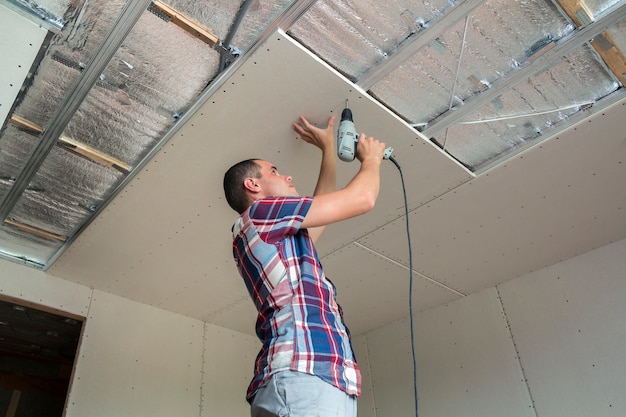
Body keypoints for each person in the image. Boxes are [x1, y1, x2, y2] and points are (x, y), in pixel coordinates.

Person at [223, 114, 386, 417]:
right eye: (274, 170)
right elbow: (362, 198)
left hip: (306, 378)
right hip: (305, 375)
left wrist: (328, 151)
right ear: (252, 184)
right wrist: (371, 160)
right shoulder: (261, 213)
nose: (286, 176)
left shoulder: (269, 231)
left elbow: (322, 211)